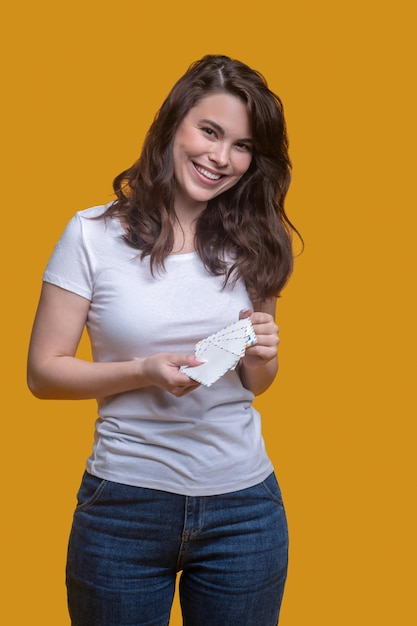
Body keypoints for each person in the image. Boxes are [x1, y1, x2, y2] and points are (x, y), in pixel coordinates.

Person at [27, 54, 300, 626]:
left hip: (245, 512)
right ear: (174, 124)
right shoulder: (92, 235)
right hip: (124, 507)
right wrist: (144, 371)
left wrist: (263, 356)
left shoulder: (257, 239)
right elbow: (44, 373)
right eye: (209, 131)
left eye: (243, 146)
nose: (220, 158)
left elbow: (257, 384)